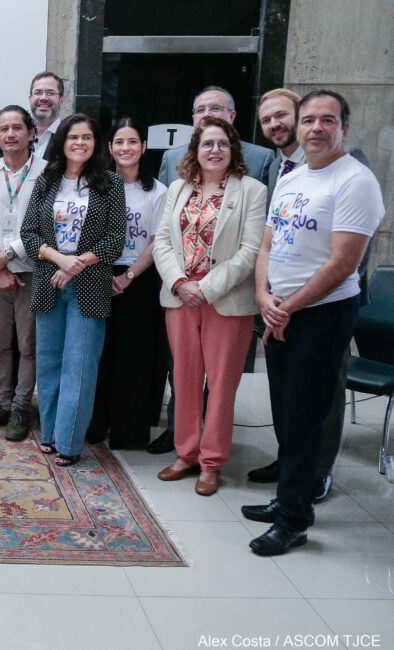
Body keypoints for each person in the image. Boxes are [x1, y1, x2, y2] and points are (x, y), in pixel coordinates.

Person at [243, 90, 383, 556]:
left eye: (328, 120)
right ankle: (288, 497)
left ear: (344, 126)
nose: (316, 128)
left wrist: (289, 307)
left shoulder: (354, 180)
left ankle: (293, 521)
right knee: (285, 412)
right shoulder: (294, 176)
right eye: (309, 120)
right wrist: (265, 297)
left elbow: (344, 264)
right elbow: (268, 244)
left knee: (305, 418)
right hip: (280, 309)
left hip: (321, 315)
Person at [148, 84, 276, 455]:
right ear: (195, 149)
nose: (215, 150)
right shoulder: (178, 188)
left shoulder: (251, 189)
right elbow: (163, 241)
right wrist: (178, 282)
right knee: (184, 380)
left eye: (222, 144)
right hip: (180, 298)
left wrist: (207, 287)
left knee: (221, 385)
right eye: (207, 144)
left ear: (233, 147)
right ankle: (186, 453)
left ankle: (212, 460)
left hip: (226, 299)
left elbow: (252, 248)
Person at [20, 115, 126, 467]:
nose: (80, 143)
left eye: (87, 137)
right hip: (49, 282)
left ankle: (69, 441)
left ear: (96, 143)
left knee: (79, 366)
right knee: (49, 363)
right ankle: (49, 434)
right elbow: (29, 233)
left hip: (90, 286)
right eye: (73, 137)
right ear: (62, 142)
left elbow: (114, 239)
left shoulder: (110, 183)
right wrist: (58, 259)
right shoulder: (46, 181)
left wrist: (76, 263)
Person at [85, 118, 169, 450]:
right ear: (109, 148)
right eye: (119, 142)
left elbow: (159, 241)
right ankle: (95, 424)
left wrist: (129, 275)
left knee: (133, 357)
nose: (125, 148)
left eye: (132, 142)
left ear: (144, 147)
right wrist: (106, 274)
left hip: (141, 279)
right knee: (100, 354)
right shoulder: (98, 186)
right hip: (99, 273)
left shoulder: (158, 192)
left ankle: (128, 430)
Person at [0, 106, 47, 438]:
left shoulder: (47, 171)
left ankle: (20, 408)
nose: (11, 134)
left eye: (18, 128)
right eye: (4, 129)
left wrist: (10, 254)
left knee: (28, 344)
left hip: (31, 268)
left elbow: (43, 223)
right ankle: (0, 403)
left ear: (31, 133)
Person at [158, 86, 274, 187]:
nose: (206, 114)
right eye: (200, 110)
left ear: (232, 116)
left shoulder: (261, 158)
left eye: (215, 108)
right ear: (193, 117)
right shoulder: (171, 158)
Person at [29, 72, 67, 161]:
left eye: (50, 93)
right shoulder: (14, 134)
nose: (43, 98)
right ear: (30, 99)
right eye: (38, 93)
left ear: (62, 100)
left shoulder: (69, 136)